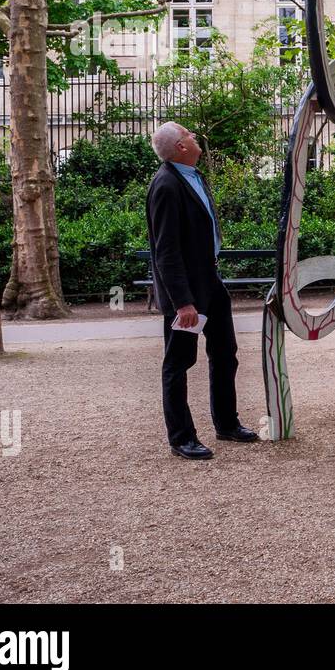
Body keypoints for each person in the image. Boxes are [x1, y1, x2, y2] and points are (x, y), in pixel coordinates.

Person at [146, 122, 257, 460]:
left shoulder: (192, 175)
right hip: (187, 294)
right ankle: (182, 438)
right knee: (178, 364)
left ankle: (226, 423)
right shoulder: (165, 185)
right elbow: (165, 251)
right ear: (180, 146)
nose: (195, 137)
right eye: (189, 135)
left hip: (210, 281)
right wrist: (182, 302)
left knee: (225, 353)